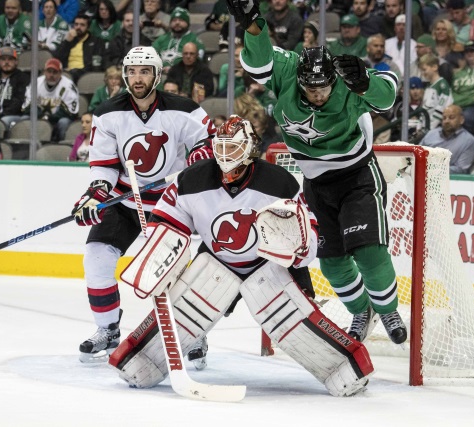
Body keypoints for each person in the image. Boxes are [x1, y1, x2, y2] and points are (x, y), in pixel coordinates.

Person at [109, 114, 373, 396]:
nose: (225, 156)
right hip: (217, 260)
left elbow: (308, 239)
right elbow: (168, 224)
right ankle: (140, 358)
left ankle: (346, 366)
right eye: (220, 148)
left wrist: (297, 248)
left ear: (249, 150)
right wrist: (159, 257)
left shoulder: (279, 183)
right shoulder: (191, 179)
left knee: (294, 325)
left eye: (232, 148)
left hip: (269, 265)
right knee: (185, 313)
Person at [226, 0, 408, 345]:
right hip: (315, 184)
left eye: (323, 88)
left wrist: (367, 81)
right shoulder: (289, 69)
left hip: (356, 177)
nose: (318, 94)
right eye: (311, 89)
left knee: (369, 251)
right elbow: (258, 63)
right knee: (332, 264)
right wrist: (252, 24)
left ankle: (388, 311)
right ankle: (361, 311)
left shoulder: (347, 81)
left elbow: (388, 94)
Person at [70, 46, 216, 363]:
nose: (138, 78)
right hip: (124, 201)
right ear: (125, 74)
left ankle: (194, 335)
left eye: (144, 71)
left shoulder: (184, 109)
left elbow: (208, 142)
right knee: (96, 258)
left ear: (157, 75)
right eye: (132, 71)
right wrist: (96, 191)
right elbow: (104, 164)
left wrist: (201, 155)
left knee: (174, 273)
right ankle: (107, 329)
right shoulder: (108, 113)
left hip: (170, 204)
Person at [22, 58, 80, 142]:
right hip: (38, 118)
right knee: (24, 119)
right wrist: (42, 116)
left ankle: (61, 146)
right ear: (44, 72)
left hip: (57, 121)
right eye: (49, 71)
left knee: (64, 122)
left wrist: (49, 117)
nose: (51, 75)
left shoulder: (68, 86)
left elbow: (71, 113)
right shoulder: (36, 83)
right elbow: (26, 107)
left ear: (60, 73)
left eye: (55, 72)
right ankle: (26, 146)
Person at [420, 104, 474, 174]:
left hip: (449, 181)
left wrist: (433, 169)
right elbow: (417, 154)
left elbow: (461, 169)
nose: (446, 121)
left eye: (451, 117)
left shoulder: (469, 141)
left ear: (461, 120)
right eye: (444, 118)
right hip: (421, 175)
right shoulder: (431, 134)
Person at [0, 46, 30, 129]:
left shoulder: (23, 79)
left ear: (16, 62)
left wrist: (1, 115)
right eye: (3, 59)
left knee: (4, 121)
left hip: (14, 116)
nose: (7, 62)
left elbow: (19, 101)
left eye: (10, 59)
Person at [55, 14, 108, 82]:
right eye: (76, 24)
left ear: (88, 27)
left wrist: (75, 71)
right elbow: (56, 58)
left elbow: (96, 65)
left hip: (85, 74)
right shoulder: (69, 39)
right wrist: (67, 42)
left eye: (82, 25)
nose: (78, 27)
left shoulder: (96, 42)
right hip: (66, 72)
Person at [152, 7, 205, 73]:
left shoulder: (195, 40)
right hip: (160, 75)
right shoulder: (161, 39)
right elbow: (151, 56)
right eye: (174, 20)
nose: (177, 23)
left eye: (181, 20)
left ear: (188, 23)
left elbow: (198, 61)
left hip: (184, 75)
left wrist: (175, 70)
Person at [419, 53, 453, 130]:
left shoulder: (442, 85)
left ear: (434, 67)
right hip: (425, 126)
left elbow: (441, 109)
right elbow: (425, 108)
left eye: (424, 69)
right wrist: (419, 126)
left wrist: (430, 128)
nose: (422, 73)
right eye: (421, 71)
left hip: (435, 128)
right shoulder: (428, 86)